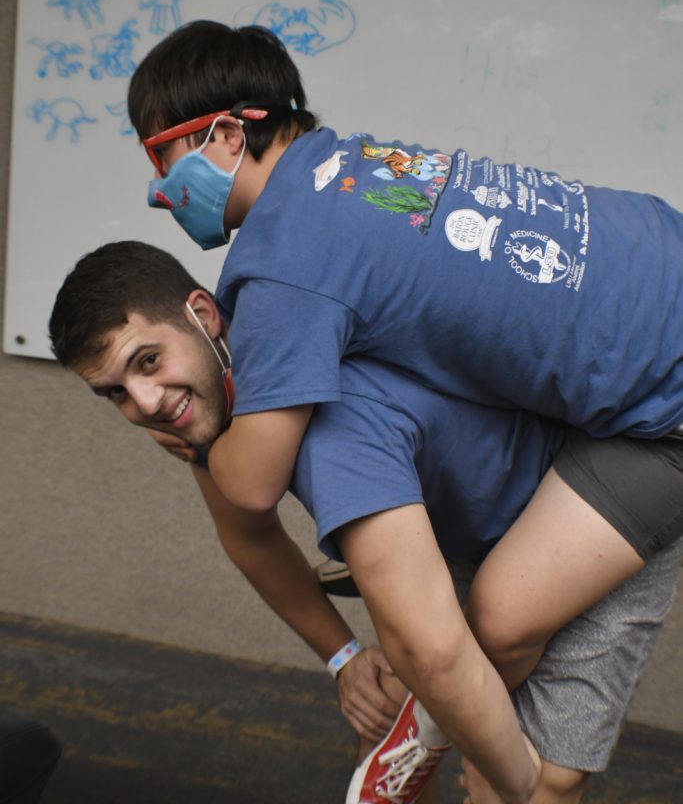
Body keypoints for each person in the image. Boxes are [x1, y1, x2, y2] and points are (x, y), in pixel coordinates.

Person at [49, 241, 683, 804]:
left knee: (542, 780)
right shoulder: (205, 410)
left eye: (148, 361)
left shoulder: (333, 420)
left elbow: (437, 657)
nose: (146, 403)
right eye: (116, 393)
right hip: (461, 530)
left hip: (588, 499)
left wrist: (497, 766)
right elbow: (251, 537)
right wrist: (345, 658)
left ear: (203, 315)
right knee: (389, 719)